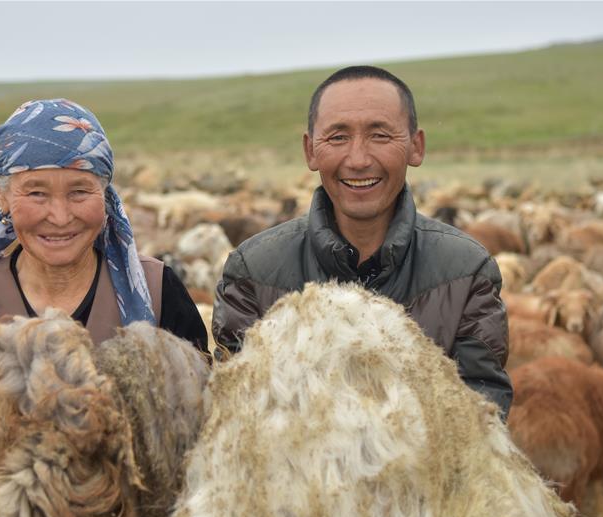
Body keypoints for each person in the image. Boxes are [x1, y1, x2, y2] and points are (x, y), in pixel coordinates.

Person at [212, 66, 513, 416]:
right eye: (338, 137)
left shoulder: (466, 272)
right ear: (311, 150)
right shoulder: (253, 272)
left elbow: (481, 413)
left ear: (416, 147)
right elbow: (239, 417)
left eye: (380, 136)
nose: (358, 160)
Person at [0, 98, 207, 391]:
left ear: (105, 194)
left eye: (79, 192)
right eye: (37, 193)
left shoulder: (158, 290)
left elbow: (197, 410)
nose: (60, 218)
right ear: (3, 198)